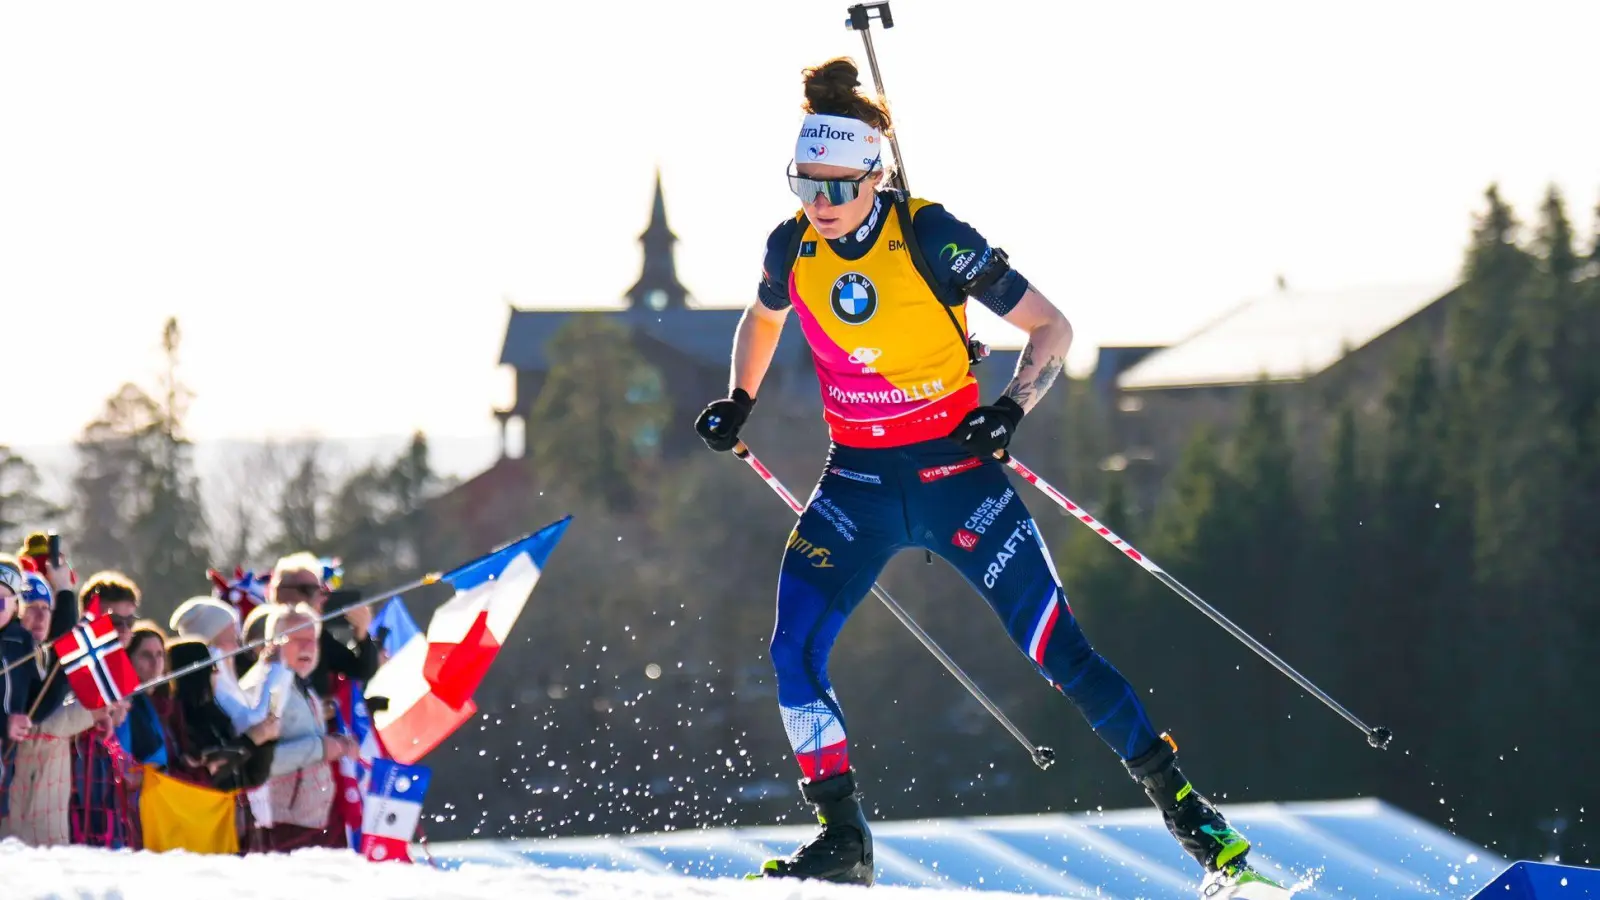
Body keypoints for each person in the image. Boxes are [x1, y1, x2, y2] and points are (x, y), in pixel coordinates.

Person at [692, 57, 1273, 893]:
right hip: (855, 484)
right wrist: (738, 398)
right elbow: (764, 313)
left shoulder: (931, 234)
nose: (818, 205)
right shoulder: (791, 246)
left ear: (872, 174)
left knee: (1061, 652)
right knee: (791, 652)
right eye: (805, 185)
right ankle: (843, 838)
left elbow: (1052, 327)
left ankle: (1196, 824)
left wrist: (1010, 409)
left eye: (835, 188)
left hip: (957, 477)